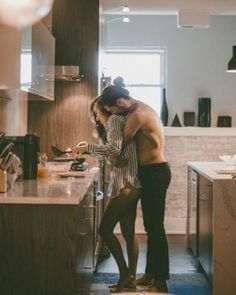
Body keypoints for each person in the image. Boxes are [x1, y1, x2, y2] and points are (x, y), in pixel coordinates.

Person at [99, 79, 172, 293]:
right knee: (151, 226)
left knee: (155, 228)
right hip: (148, 173)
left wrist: (94, 150)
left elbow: (119, 146)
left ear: (120, 102)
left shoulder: (138, 115)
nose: (113, 114)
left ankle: (160, 281)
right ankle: (150, 275)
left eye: (111, 109)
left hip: (155, 172)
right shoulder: (139, 109)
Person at [77, 96, 141, 293]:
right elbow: (121, 154)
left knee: (104, 230)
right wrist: (113, 158)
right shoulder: (124, 120)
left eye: (96, 112)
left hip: (125, 185)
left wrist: (87, 148)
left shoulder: (114, 120)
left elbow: (114, 149)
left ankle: (124, 274)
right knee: (129, 233)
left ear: (104, 110)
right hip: (133, 183)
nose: (96, 117)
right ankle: (130, 279)